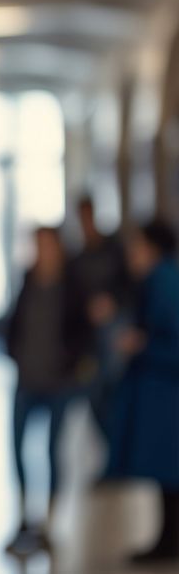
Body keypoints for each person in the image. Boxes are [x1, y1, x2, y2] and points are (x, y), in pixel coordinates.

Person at [105, 219, 179, 564]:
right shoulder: (157, 281)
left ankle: (169, 541)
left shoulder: (165, 282)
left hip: (166, 393)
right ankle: (166, 539)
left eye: (136, 246)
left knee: (170, 473)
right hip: (160, 392)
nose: (131, 254)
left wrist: (141, 344)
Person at [4, 227, 80, 555]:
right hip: (26, 379)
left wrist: (72, 364)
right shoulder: (27, 283)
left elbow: (82, 333)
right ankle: (22, 517)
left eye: (48, 246)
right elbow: (14, 326)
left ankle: (48, 523)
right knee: (17, 446)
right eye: (38, 246)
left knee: (53, 451)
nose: (43, 252)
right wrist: (16, 354)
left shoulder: (72, 288)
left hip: (58, 383)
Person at [64, 197, 130, 439]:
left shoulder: (114, 251)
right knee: (94, 395)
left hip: (114, 332)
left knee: (114, 392)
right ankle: (110, 447)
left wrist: (111, 303)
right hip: (89, 339)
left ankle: (117, 452)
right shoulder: (77, 259)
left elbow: (128, 286)